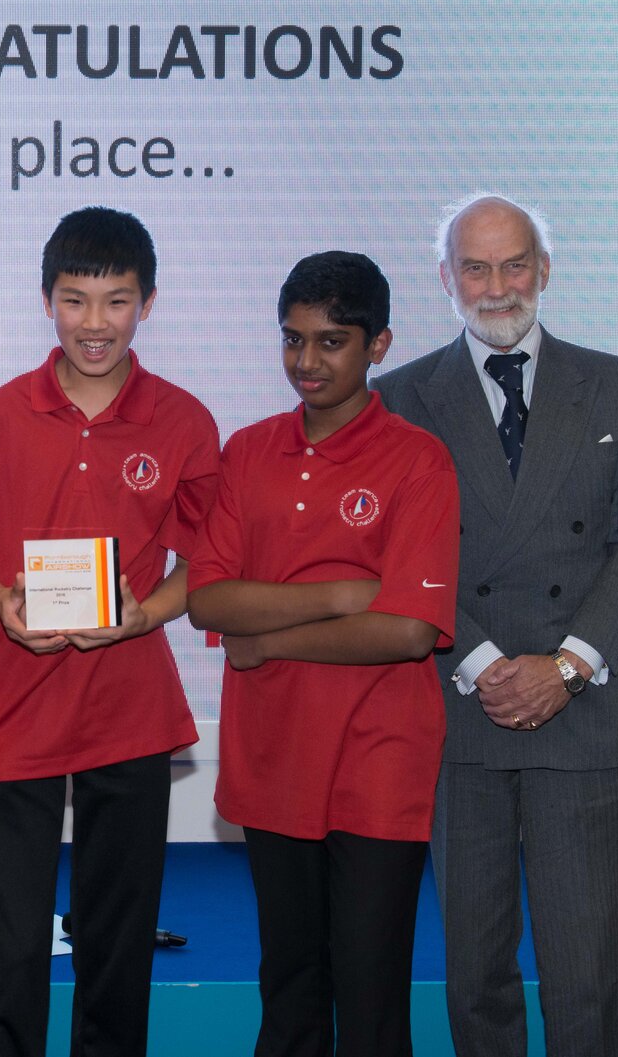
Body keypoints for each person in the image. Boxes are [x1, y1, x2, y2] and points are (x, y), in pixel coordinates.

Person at [374, 194, 618, 1057]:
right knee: (476, 979)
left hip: (579, 716)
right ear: (446, 278)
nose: (496, 287)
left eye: (513, 265)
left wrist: (566, 665)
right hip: (461, 716)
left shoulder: (615, 381)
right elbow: (397, 556)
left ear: (544, 268)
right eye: (476, 267)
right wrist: (487, 662)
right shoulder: (399, 399)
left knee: (589, 977)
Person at [0, 206, 216, 1057]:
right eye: (76, 299)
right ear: (47, 301)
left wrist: (146, 612)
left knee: (117, 938)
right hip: (10, 710)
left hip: (128, 711)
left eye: (117, 301)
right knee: (8, 939)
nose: (95, 323)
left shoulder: (183, 420)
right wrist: (0, 597)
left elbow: (211, 555)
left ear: (149, 302)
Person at [188, 251, 459, 1057]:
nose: (307, 362)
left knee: (372, 999)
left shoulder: (419, 459)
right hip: (273, 759)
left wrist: (266, 636)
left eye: (332, 342)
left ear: (378, 346)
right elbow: (209, 596)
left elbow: (408, 630)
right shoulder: (247, 450)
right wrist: (345, 592)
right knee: (291, 990)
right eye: (293, 339)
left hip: (381, 766)